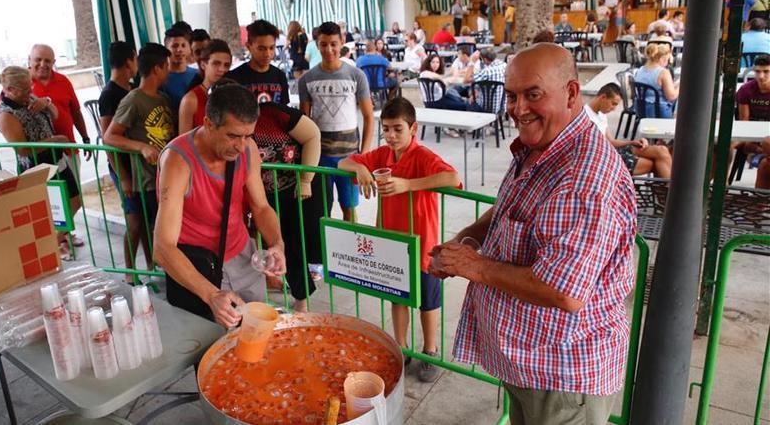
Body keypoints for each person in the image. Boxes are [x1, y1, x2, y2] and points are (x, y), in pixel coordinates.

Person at [431, 43, 637, 425]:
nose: (518, 108)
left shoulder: (583, 179)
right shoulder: (540, 147)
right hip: (528, 363)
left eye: (533, 94)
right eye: (512, 95)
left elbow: (565, 291)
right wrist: (467, 240)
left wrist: (474, 266)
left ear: (572, 93)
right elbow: (510, 207)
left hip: (563, 375)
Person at [340, 97, 460, 382]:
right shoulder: (382, 154)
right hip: (392, 245)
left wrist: (409, 185)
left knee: (428, 302)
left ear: (413, 128)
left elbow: (452, 176)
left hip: (423, 246)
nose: (391, 136)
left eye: (398, 129)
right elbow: (345, 161)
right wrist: (359, 168)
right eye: (386, 129)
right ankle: (402, 347)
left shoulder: (423, 156)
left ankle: (429, 352)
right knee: (398, 297)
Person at [153, 84, 286, 327]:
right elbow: (162, 247)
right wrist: (211, 294)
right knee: (213, 349)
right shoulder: (178, 161)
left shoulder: (248, 151)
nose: (241, 146)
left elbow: (261, 207)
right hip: (200, 269)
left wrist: (277, 244)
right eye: (233, 136)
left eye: (248, 136)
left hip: (244, 256)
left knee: (256, 334)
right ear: (209, 124)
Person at [245, 81, 322, 312]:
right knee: (256, 244)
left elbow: (312, 135)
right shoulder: (232, 129)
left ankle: (301, 299)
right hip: (256, 192)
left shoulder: (274, 113)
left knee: (292, 244)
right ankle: (259, 294)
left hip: (292, 190)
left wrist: (305, 179)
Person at [0, 66, 82, 262]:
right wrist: (55, 141)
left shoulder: (29, 98)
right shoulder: (6, 114)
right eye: (25, 89)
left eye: (30, 87)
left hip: (56, 160)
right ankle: (47, 249)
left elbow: (56, 115)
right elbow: (23, 149)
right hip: (37, 167)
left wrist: (47, 102)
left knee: (74, 203)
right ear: (10, 90)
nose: (29, 92)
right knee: (50, 212)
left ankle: (51, 244)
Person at [298, 21, 374, 222]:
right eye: (323, 44)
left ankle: (349, 250)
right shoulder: (306, 80)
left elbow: (368, 116)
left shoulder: (356, 75)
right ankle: (325, 252)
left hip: (350, 158)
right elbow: (304, 121)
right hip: (319, 157)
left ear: (342, 42)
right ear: (316, 44)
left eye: (333, 43)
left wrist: (363, 155)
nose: (329, 49)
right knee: (323, 211)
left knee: (349, 209)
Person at [103, 43, 176, 249]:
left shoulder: (164, 98)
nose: (168, 71)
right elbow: (109, 137)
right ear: (157, 69)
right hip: (148, 179)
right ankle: (133, 272)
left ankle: (156, 268)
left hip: (166, 174)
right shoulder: (133, 100)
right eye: (167, 66)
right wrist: (141, 147)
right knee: (146, 226)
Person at [98, 41, 152, 283]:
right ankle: (131, 273)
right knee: (134, 221)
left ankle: (151, 265)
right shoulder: (109, 94)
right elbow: (107, 139)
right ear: (130, 60)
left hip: (140, 168)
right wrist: (123, 176)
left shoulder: (131, 88)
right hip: (124, 168)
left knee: (146, 220)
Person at [586, 83, 672, 178]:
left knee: (661, 150)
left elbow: (611, 141)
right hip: (604, 156)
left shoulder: (601, 114)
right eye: (613, 104)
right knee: (654, 163)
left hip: (614, 149)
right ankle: (670, 191)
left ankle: (667, 190)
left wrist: (632, 142)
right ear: (603, 97)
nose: (614, 109)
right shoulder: (586, 116)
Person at [26, 44, 92, 162]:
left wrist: (85, 138)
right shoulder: (20, 84)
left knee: (73, 181)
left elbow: (76, 112)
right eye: (38, 59)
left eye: (47, 61)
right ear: (29, 60)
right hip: (38, 156)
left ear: (53, 62)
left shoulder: (63, 80)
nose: (42, 64)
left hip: (68, 150)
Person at [228, 20, 290, 106]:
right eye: (261, 49)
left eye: (271, 48)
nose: (267, 54)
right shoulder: (234, 78)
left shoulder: (280, 76)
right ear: (249, 46)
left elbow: (284, 110)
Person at [179, 39, 233, 134]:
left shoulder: (234, 95)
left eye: (226, 65)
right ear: (203, 64)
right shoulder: (190, 100)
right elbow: (183, 143)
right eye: (216, 63)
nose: (221, 69)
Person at [734, 55, 770, 188]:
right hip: (751, 136)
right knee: (725, 145)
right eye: (758, 71)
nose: (761, 76)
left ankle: (760, 153)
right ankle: (721, 187)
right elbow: (744, 121)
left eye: (766, 71)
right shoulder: (746, 90)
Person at [161, 27, 200, 118]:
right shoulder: (161, 78)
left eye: (183, 45)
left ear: (189, 48)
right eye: (175, 46)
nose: (179, 50)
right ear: (166, 49)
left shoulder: (197, 74)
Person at [634, 43, 679, 118]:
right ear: (662, 59)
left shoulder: (640, 70)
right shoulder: (663, 72)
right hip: (658, 111)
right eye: (667, 60)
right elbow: (671, 96)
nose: (667, 63)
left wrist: (675, 84)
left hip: (641, 109)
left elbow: (656, 87)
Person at [470, 48, 508, 113]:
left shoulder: (487, 71)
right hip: (501, 107)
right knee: (474, 92)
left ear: (484, 59)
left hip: (486, 108)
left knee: (467, 104)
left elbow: (467, 79)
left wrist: (472, 62)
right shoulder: (505, 65)